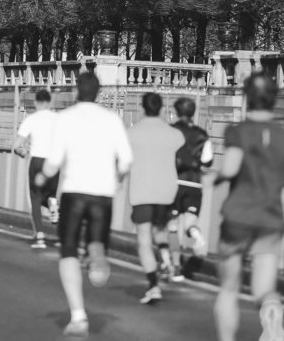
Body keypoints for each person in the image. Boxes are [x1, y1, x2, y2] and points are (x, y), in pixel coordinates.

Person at [213, 74, 284, 341]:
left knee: (229, 289)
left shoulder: (237, 132)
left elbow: (231, 167)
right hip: (270, 220)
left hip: (237, 217)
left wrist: (215, 177)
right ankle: (270, 309)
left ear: (246, 97)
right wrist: (277, 176)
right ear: (274, 100)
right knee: (264, 288)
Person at [37, 72, 133, 337]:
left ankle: (78, 316)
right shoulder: (112, 119)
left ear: (77, 90)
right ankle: (98, 254)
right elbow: (125, 159)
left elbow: (54, 160)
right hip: (103, 192)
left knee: (68, 250)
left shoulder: (65, 118)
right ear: (99, 92)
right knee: (96, 240)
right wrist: (117, 180)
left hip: (74, 192)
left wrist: (42, 176)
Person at [127, 92, 185, 304]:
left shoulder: (132, 133)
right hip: (167, 192)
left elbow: (124, 160)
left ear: (143, 107)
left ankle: (153, 286)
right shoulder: (174, 135)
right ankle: (166, 258)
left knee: (143, 240)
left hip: (142, 192)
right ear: (161, 108)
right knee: (160, 230)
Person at [167, 97, 213, 281]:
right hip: (195, 183)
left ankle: (176, 267)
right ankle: (196, 235)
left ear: (177, 112)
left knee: (172, 226)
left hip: (174, 182)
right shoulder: (202, 134)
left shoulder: (171, 131)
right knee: (189, 224)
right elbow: (207, 162)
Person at [14, 89, 60, 248]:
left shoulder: (31, 119)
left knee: (35, 198)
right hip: (54, 161)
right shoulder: (58, 119)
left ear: (36, 103)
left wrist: (23, 152)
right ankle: (54, 204)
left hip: (37, 160)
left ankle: (40, 236)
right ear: (50, 102)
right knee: (50, 194)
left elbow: (17, 145)